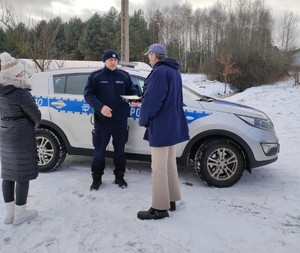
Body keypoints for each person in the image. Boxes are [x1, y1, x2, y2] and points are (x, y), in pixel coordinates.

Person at [137, 44, 190, 220]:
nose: (148, 58)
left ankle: (160, 208)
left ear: (154, 55)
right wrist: (143, 100)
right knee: (169, 164)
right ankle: (171, 199)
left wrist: (144, 120)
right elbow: (166, 97)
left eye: (149, 55)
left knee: (158, 168)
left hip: (161, 124)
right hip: (173, 123)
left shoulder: (159, 73)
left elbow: (153, 102)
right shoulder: (173, 71)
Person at [84, 49, 138, 191]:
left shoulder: (124, 76)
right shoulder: (96, 77)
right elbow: (88, 95)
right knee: (99, 152)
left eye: (115, 60)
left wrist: (134, 99)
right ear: (104, 61)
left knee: (120, 151)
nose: (113, 62)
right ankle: (96, 179)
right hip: (102, 121)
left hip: (120, 120)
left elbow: (132, 91)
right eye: (110, 60)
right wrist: (101, 107)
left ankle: (119, 177)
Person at [0, 52, 41, 225]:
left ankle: (10, 214)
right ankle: (21, 213)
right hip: (21, 136)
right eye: (20, 72)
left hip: (4, 135)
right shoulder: (20, 92)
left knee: (8, 174)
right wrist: (36, 123)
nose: (22, 74)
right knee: (22, 175)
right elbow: (35, 115)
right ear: (15, 73)